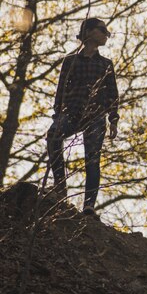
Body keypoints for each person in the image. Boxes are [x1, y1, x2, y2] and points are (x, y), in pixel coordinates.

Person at [47, 17, 119, 218]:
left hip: (95, 115)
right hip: (70, 112)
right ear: (88, 31)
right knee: (53, 136)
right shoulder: (70, 61)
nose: (106, 34)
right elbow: (61, 90)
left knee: (92, 160)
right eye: (102, 30)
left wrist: (114, 119)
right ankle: (60, 186)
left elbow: (112, 94)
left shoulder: (106, 64)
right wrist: (57, 113)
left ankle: (89, 206)